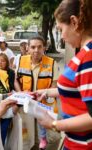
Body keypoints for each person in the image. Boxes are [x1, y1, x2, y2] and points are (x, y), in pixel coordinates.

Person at [34, 0, 92, 149]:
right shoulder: (85, 54)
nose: (62, 37)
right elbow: (77, 89)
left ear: (74, 22)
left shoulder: (88, 59)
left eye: (60, 30)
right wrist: (47, 92)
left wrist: (54, 124)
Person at [17, 36, 60, 150]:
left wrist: (44, 95)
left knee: (54, 137)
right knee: (32, 138)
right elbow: (16, 80)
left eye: (39, 47)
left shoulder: (52, 63)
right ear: (28, 48)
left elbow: (54, 84)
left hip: (45, 105)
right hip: (27, 105)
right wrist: (20, 93)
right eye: (33, 47)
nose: (36, 50)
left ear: (44, 48)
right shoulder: (21, 60)